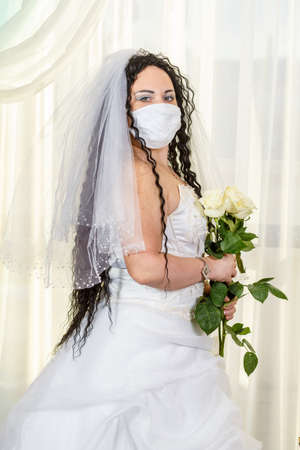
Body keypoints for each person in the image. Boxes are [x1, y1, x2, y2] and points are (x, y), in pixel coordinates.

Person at [0, 48, 262, 449]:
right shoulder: (140, 174)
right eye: (145, 98)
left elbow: (174, 256)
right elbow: (145, 268)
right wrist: (214, 268)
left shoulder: (165, 173)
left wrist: (210, 292)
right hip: (144, 345)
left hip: (177, 333)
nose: (161, 106)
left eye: (169, 96)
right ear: (124, 113)